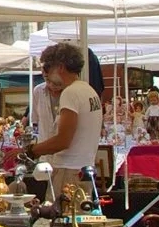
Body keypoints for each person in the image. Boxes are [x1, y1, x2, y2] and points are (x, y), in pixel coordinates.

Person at [26, 42, 103, 178]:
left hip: (68, 169)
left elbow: (63, 140)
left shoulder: (70, 93)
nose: (46, 75)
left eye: (47, 69)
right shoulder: (89, 90)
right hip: (85, 168)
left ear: (60, 67)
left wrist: (31, 151)